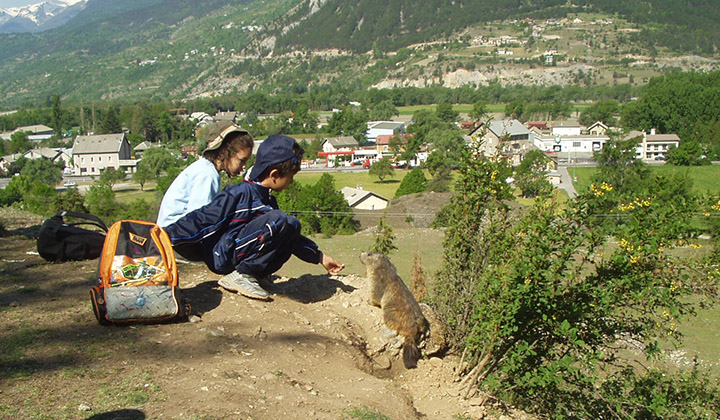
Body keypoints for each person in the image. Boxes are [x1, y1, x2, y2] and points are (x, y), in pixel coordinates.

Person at [163, 134, 345, 300]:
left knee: (291, 224)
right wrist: (162, 236)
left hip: (237, 252)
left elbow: (293, 239)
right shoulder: (238, 193)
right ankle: (241, 276)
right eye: (291, 176)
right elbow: (204, 218)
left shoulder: (267, 199)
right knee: (279, 220)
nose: (291, 182)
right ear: (274, 174)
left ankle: (256, 275)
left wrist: (319, 256)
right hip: (222, 256)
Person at [157, 121, 253, 228]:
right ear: (224, 153)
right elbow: (199, 220)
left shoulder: (204, 167)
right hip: (172, 236)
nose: (244, 166)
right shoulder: (208, 175)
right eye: (242, 160)